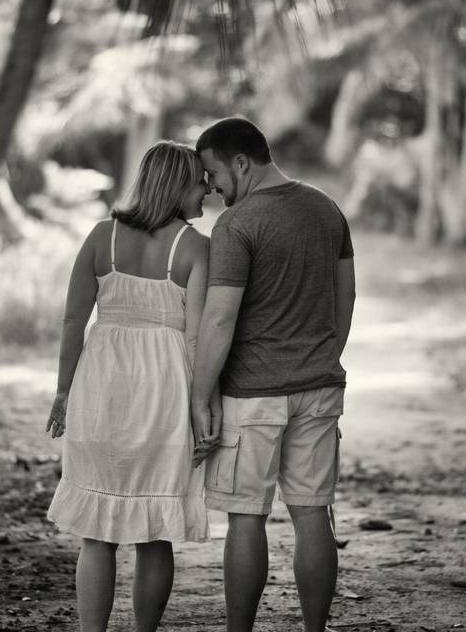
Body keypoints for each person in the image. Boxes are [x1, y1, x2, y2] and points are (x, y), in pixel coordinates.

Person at [191, 117, 356, 632]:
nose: (213, 188)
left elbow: (219, 318)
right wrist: (323, 355)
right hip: (320, 388)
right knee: (313, 514)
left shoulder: (237, 226)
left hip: (252, 396)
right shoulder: (327, 209)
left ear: (242, 162)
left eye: (215, 174)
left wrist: (200, 396)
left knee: (246, 517)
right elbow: (345, 296)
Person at [45, 140, 217, 632]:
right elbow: (196, 336)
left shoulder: (102, 237)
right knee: (154, 533)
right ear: (175, 185)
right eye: (197, 180)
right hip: (163, 392)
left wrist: (63, 393)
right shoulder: (195, 247)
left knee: (96, 534)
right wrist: (200, 406)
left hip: (101, 388)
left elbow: (73, 320)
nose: (206, 188)